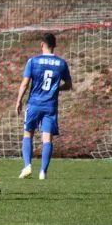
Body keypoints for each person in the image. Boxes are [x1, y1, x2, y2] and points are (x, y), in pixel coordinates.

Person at [15, 33, 72, 180]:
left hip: (34, 104)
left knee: (28, 133)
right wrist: (56, 88)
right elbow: (69, 85)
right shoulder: (61, 63)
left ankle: (27, 166)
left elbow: (25, 83)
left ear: (42, 44)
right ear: (55, 45)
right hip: (50, 106)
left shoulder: (33, 61)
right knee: (47, 138)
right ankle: (43, 172)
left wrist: (19, 100)